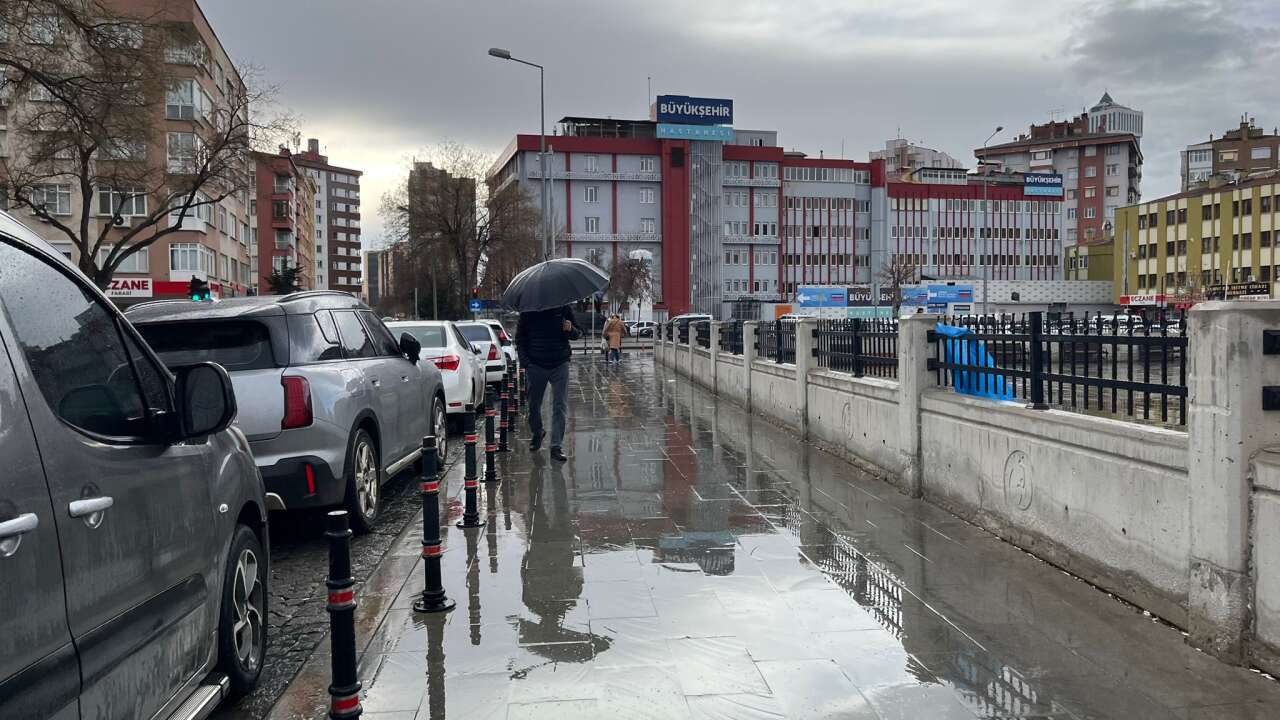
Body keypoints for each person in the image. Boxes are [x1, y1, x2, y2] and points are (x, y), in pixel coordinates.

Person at [516, 305, 581, 462]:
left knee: (560, 405)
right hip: (536, 365)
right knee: (533, 405)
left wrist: (570, 329)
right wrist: (527, 363)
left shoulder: (564, 308)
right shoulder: (528, 311)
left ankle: (556, 446)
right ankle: (538, 432)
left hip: (560, 363)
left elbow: (578, 333)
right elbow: (520, 340)